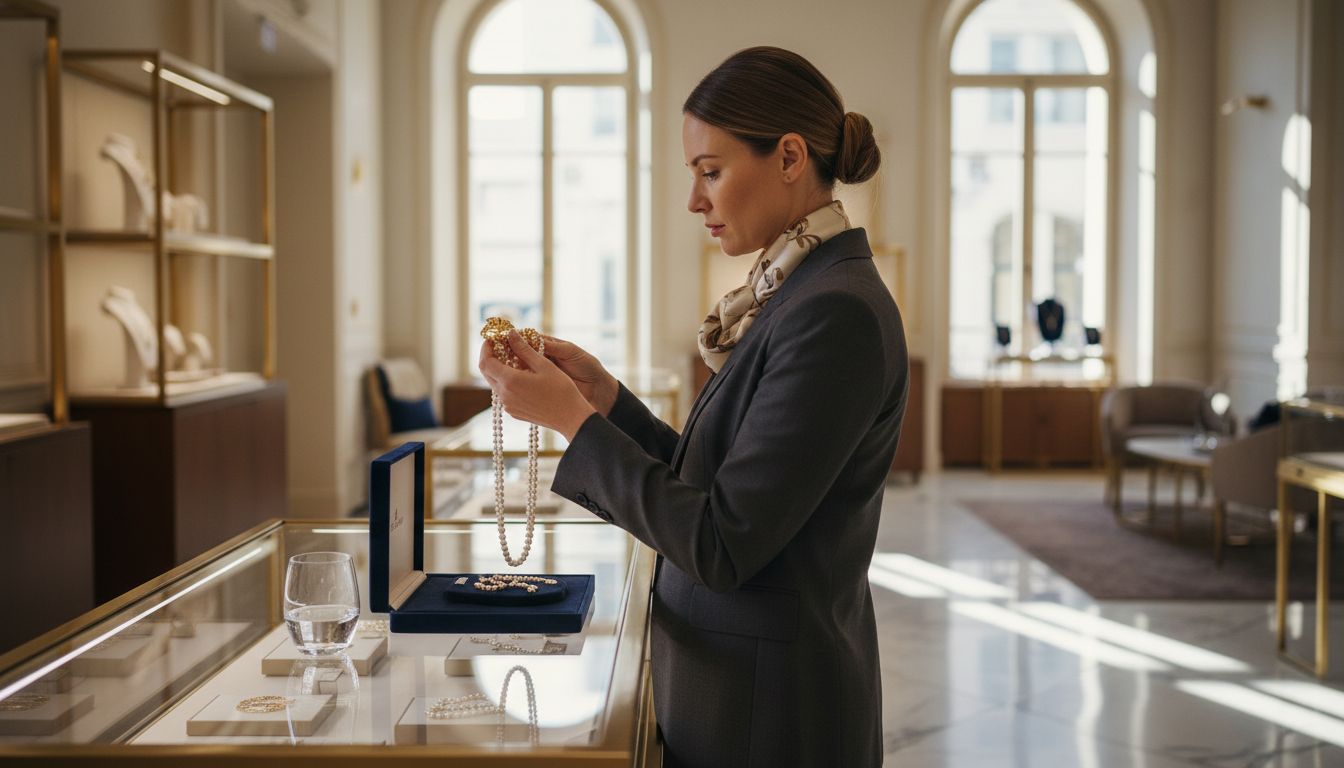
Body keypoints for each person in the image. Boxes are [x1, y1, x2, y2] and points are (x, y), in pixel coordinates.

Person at [478, 46, 907, 768]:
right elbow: (721, 484)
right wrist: (605, 401)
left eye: (711, 171)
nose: (695, 200)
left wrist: (571, 424)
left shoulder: (835, 312)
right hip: (738, 688)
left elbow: (724, 540)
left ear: (790, 156)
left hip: (773, 713)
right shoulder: (794, 292)